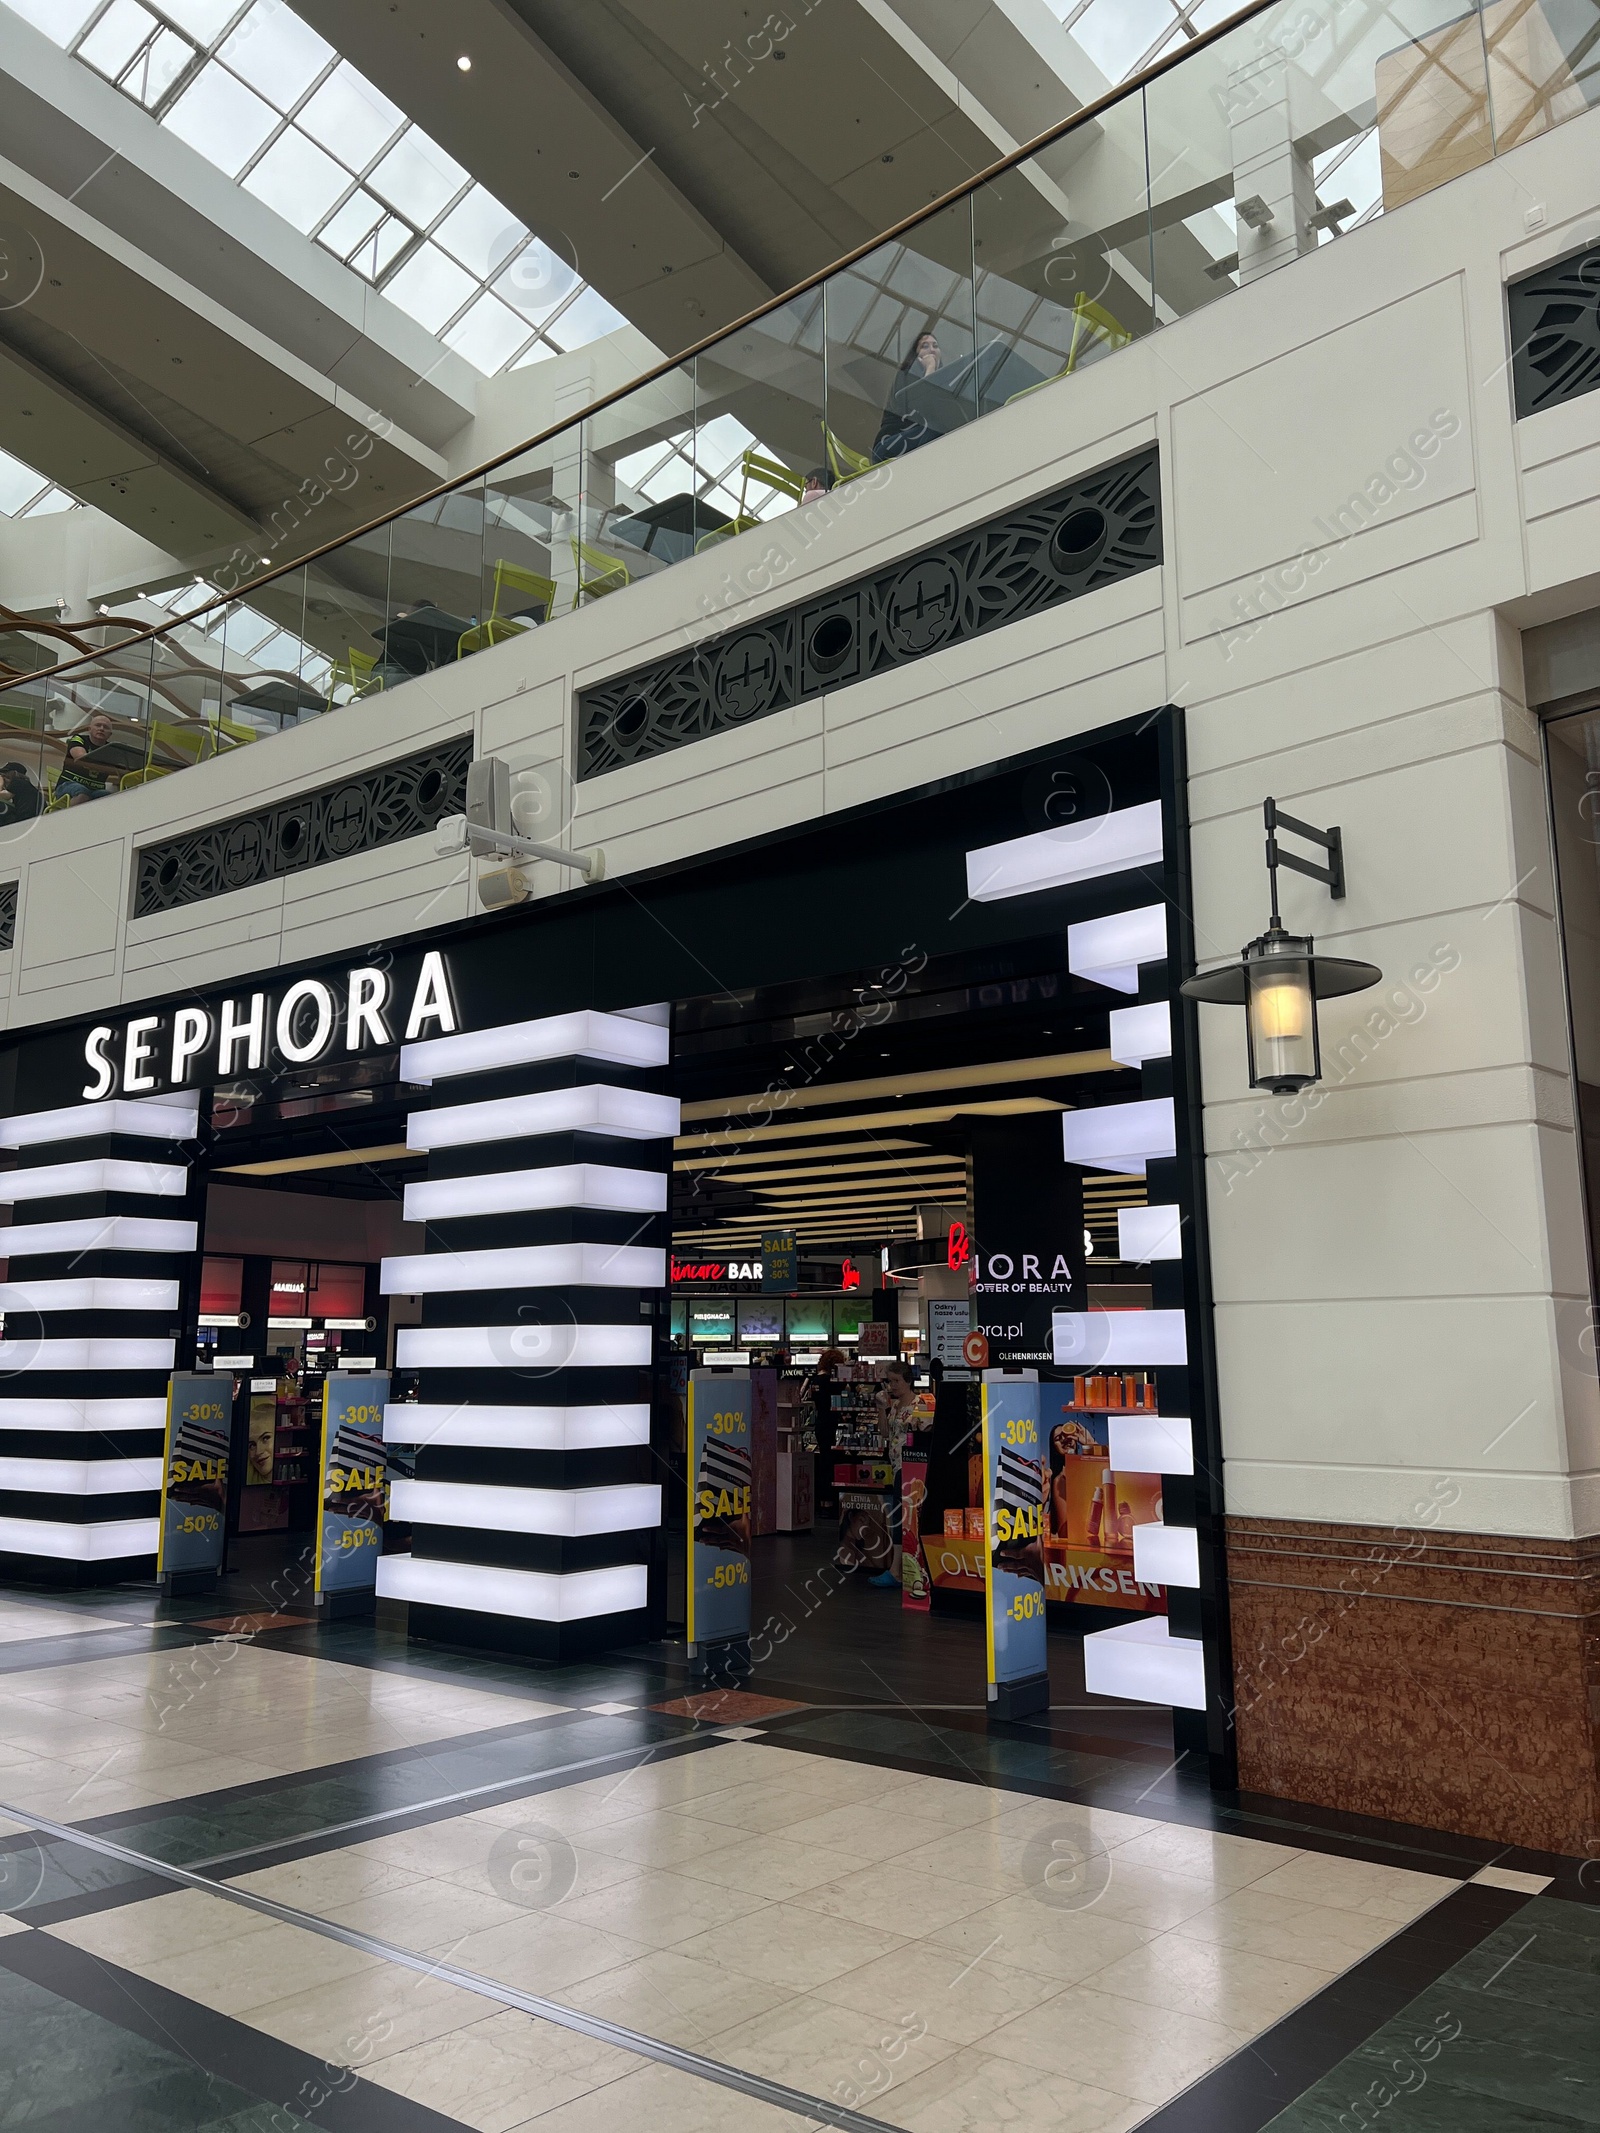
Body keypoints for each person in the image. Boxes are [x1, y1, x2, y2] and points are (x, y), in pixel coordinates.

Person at [869, 1361, 930, 1589]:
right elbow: (885, 1433)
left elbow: (926, 1432)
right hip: (896, 1466)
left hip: (911, 1468)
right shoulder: (894, 1406)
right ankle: (900, 1569)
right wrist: (881, 1409)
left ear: (908, 1381)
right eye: (889, 1381)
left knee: (902, 1519)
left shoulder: (919, 1403)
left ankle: (898, 1570)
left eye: (896, 1381)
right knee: (899, 1518)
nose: (892, 1385)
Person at [872, 328, 943, 462]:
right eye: (925, 346)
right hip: (889, 445)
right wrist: (930, 369)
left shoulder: (945, 384)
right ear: (915, 356)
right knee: (938, 427)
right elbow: (924, 406)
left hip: (916, 439)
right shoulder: (906, 376)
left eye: (935, 346)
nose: (932, 350)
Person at [54, 709, 120, 804]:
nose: (101, 728)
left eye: (105, 727)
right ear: (89, 729)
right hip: (68, 785)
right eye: (98, 725)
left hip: (96, 791)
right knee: (82, 793)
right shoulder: (78, 739)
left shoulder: (111, 749)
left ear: (110, 734)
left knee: (111, 799)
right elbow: (81, 757)